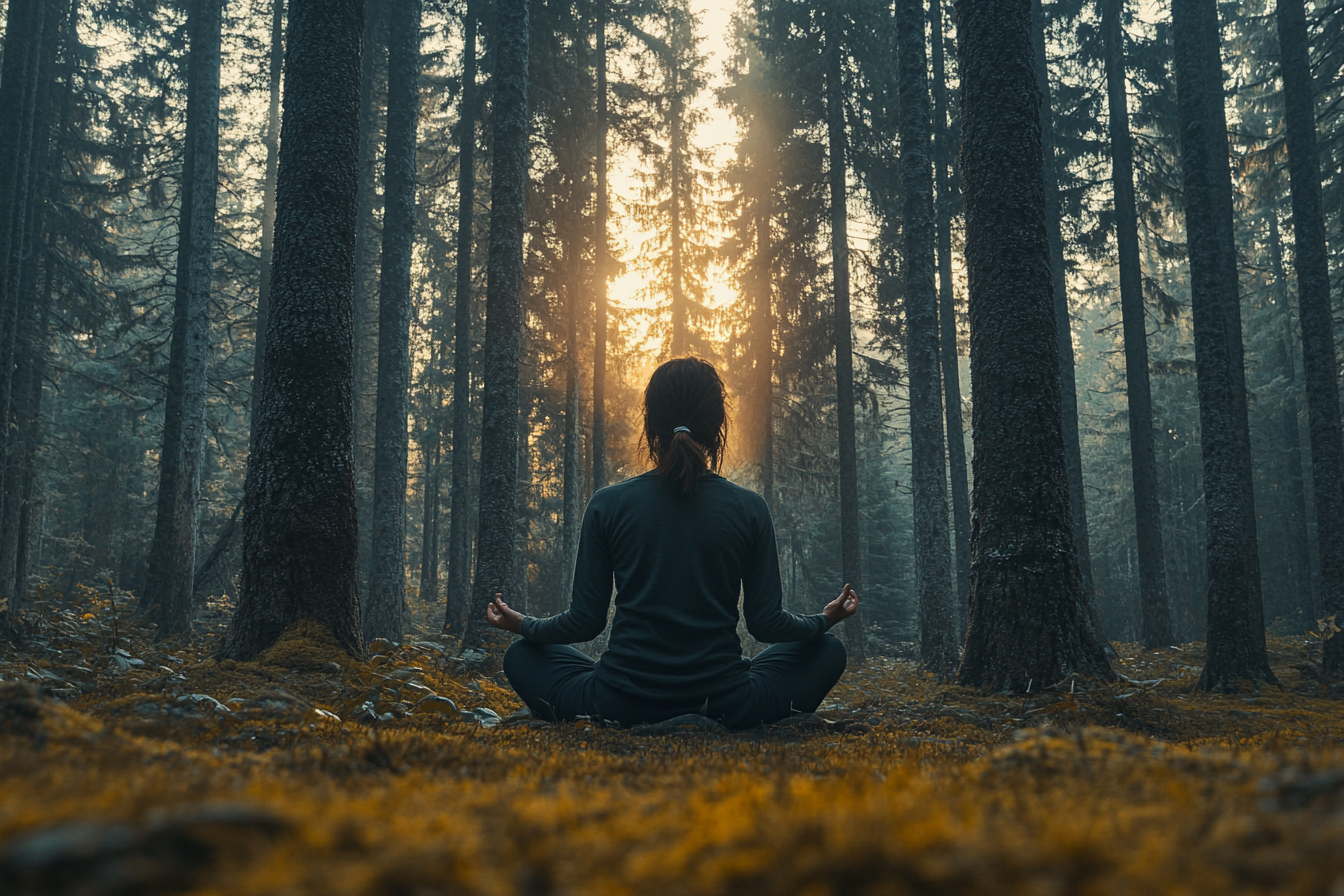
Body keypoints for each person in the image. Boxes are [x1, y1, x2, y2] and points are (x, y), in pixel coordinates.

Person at [486, 357, 858, 729]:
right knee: (826, 650)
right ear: (717, 426)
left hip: (618, 703)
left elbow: (584, 623)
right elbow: (767, 625)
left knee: (522, 656)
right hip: (728, 704)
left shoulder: (608, 504)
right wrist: (824, 619)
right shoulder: (749, 508)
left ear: (650, 424)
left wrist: (525, 626)